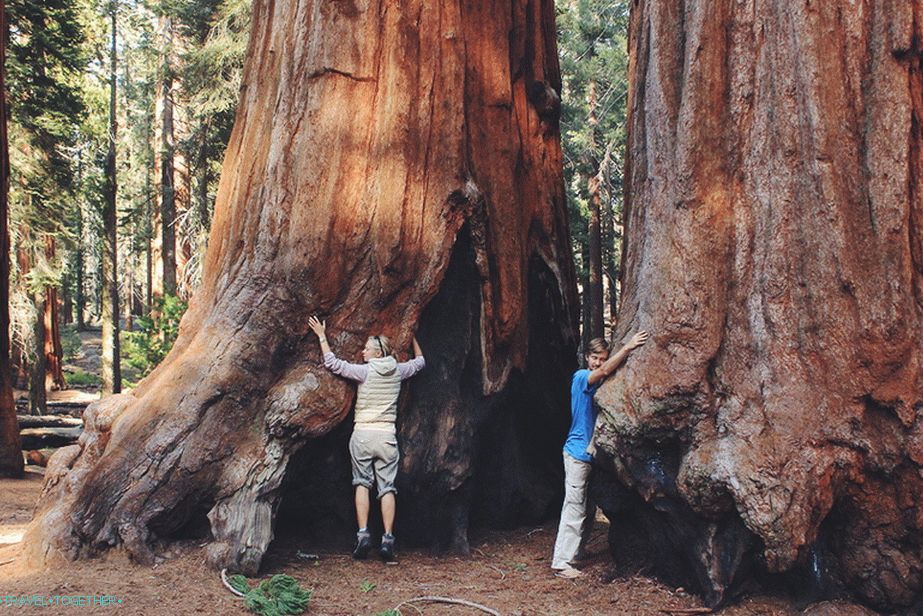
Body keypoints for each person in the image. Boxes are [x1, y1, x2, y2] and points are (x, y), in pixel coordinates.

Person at [308, 315, 425, 562]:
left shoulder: (364, 372)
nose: (363, 350)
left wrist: (321, 336)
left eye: (367, 348)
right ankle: (388, 539)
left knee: (362, 483)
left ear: (378, 353)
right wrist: (412, 336)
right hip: (387, 437)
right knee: (387, 488)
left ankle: (363, 535)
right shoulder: (398, 371)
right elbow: (420, 362)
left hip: (362, 434)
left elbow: (333, 363)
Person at [551, 331, 649, 579]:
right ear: (587, 357)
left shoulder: (600, 385)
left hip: (592, 455)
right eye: (595, 357)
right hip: (576, 453)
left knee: (587, 507)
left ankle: (576, 553)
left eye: (603, 358)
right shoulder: (582, 376)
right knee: (574, 506)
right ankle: (561, 562)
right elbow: (603, 373)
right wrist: (627, 348)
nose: (598, 362)